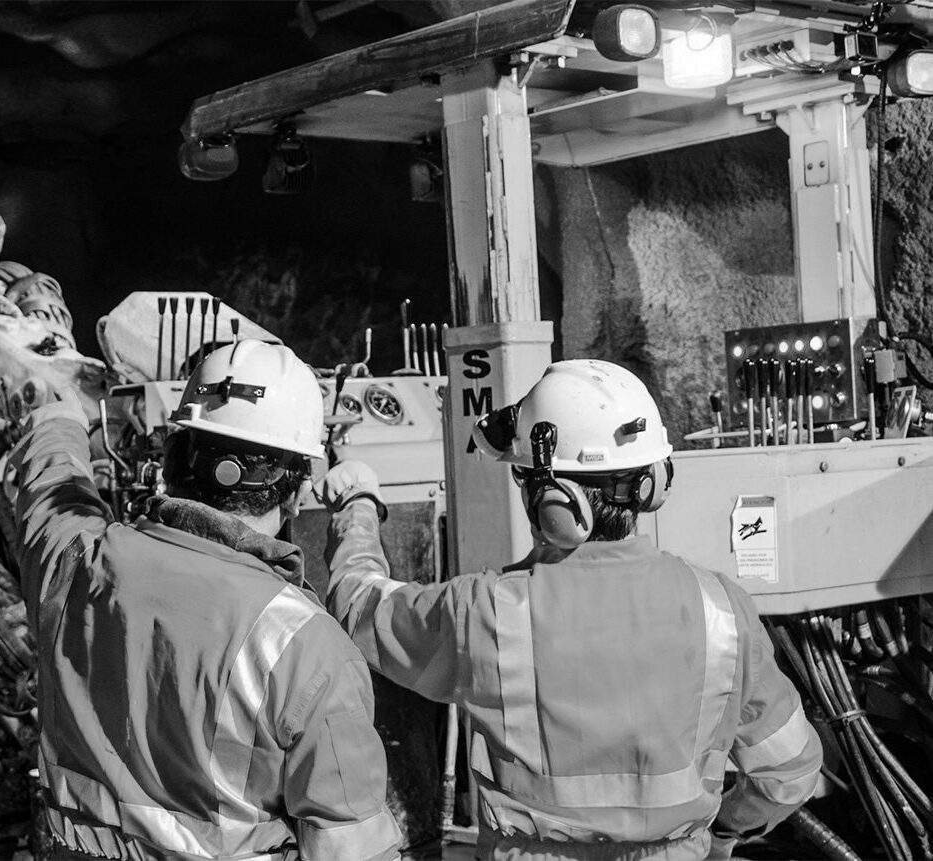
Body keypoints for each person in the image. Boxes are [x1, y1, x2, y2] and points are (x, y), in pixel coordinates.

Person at [316, 358, 822, 861]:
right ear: (652, 484)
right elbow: (790, 773)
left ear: (552, 502)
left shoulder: (485, 611)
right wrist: (724, 832)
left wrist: (358, 508)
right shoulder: (723, 610)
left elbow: (359, 607)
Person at [12, 338, 402, 861]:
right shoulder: (308, 651)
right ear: (297, 490)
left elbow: (52, 492)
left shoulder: (76, 567)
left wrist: (57, 418)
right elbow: (351, 850)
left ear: (173, 459)